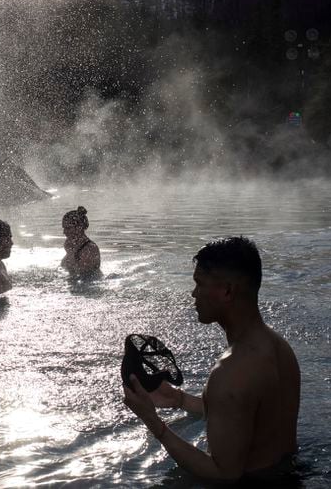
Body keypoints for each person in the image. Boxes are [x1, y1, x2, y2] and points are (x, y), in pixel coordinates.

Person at [122, 236, 300, 482]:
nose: (193, 293)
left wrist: (154, 423)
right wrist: (180, 399)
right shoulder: (279, 347)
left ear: (227, 291)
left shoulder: (230, 372)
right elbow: (245, 414)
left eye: (200, 283)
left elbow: (223, 475)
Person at [61, 206, 101, 279]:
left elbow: (82, 276)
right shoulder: (69, 243)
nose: (64, 232)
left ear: (79, 227)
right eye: (64, 228)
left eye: (68, 228)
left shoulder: (90, 249)